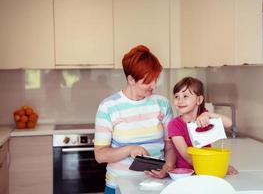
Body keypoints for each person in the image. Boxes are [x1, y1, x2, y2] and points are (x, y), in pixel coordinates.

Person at [94, 45, 176, 194]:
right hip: (118, 186)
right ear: (131, 79)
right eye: (148, 81)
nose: (154, 86)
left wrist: (167, 168)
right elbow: (100, 155)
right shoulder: (108, 107)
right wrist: (129, 149)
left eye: (156, 79)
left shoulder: (162, 104)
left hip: (156, 186)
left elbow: (170, 146)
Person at [168, 77, 238, 175]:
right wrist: (216, 167)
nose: (180, 101)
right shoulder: (174, 125)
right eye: (176, 97)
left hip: (206, 169)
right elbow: (187, 156)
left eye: (185, 96)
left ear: (199, 100)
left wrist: (209, 115)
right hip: (186, 173)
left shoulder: (204, 118)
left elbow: (229, 123)